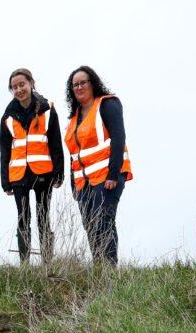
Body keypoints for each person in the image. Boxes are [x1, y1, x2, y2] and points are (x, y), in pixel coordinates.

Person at [64, 66, 132, 265]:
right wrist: (73, 186)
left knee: (104, 222)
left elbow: (118, 139)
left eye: (83, 82)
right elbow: (73, 156)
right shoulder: (73, 119)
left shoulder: (107, 105)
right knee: (91, 226)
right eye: (75, 85)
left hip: (107, 177)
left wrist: (113, 174)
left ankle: (109, 271)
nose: (79, 87)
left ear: (92, 83)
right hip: (83, 184)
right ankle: (99, 269)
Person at [0, 68, 64, 265]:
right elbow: (4, 151)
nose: (18, 90)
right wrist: (5, 182)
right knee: (23, 219)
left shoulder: (48, 110)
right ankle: (25, 264)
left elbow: (56, 144)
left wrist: (59, 174)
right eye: (14, 87)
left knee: (43, 218)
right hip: (18, 176)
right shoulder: (7, 117)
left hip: (43, 173)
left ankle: (47, 262)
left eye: (22, 85)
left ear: (31, 83)